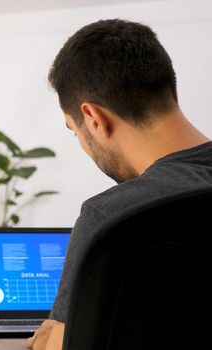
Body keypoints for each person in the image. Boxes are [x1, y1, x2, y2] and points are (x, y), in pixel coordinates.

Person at [27, 19, 212, 350]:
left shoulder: (114, 216)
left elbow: (65, 342)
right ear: (173, 92)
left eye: (75, 130)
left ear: (94, 119)